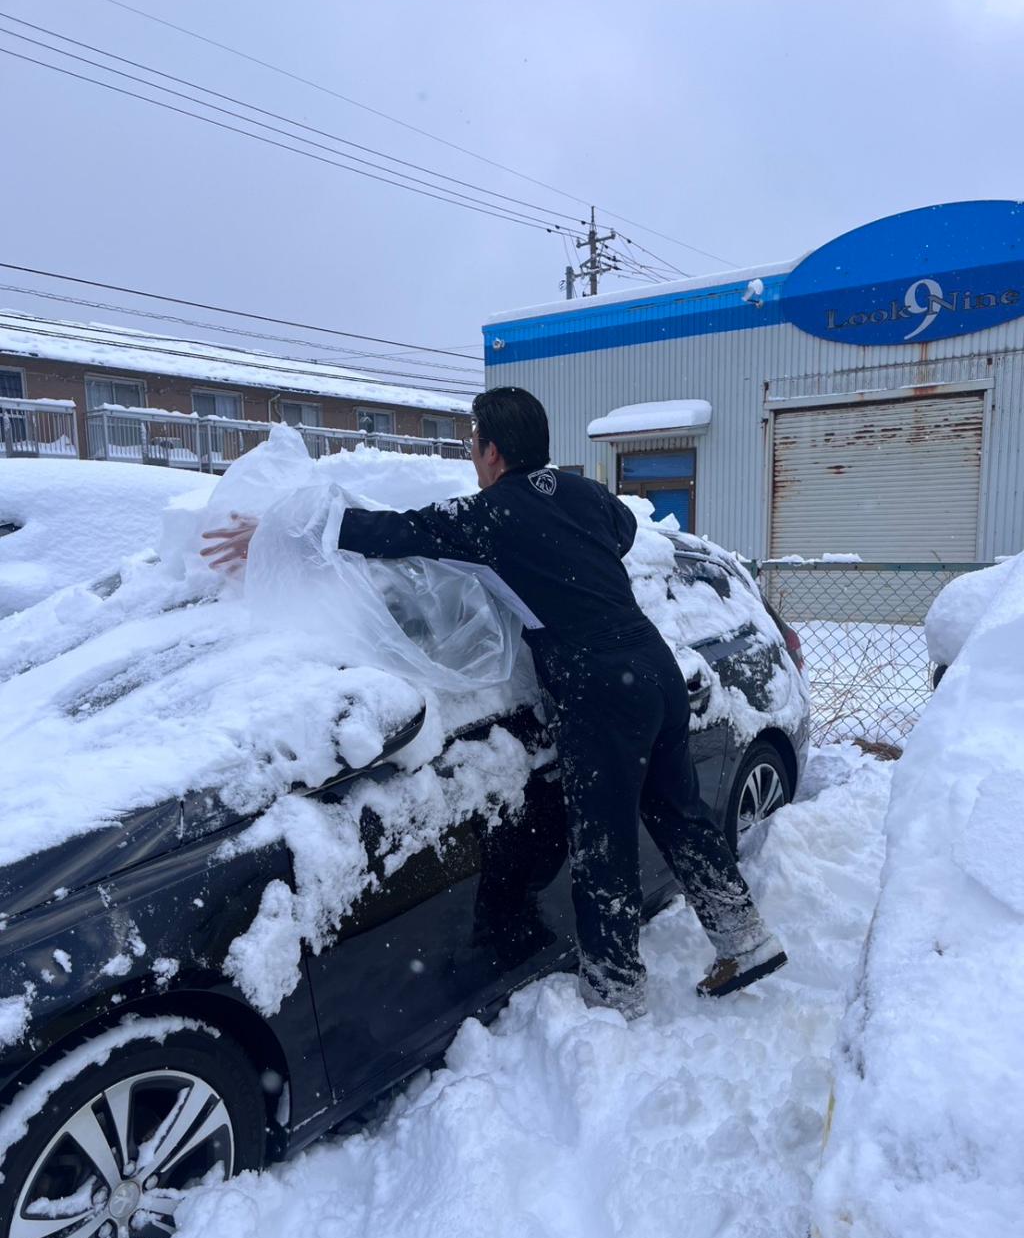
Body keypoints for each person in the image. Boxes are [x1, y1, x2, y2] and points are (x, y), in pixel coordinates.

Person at [201, 388, 786, 1019]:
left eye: (472, 444)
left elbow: (398, 532)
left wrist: (280, 534)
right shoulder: (584, 493)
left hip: (598, 685)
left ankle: (616, 991)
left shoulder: (490, 515)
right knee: (678, 810)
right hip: (654, 665)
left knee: (603, 840)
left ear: (492, 450)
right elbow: (620, 532)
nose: (470, 457)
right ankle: (745, 939)